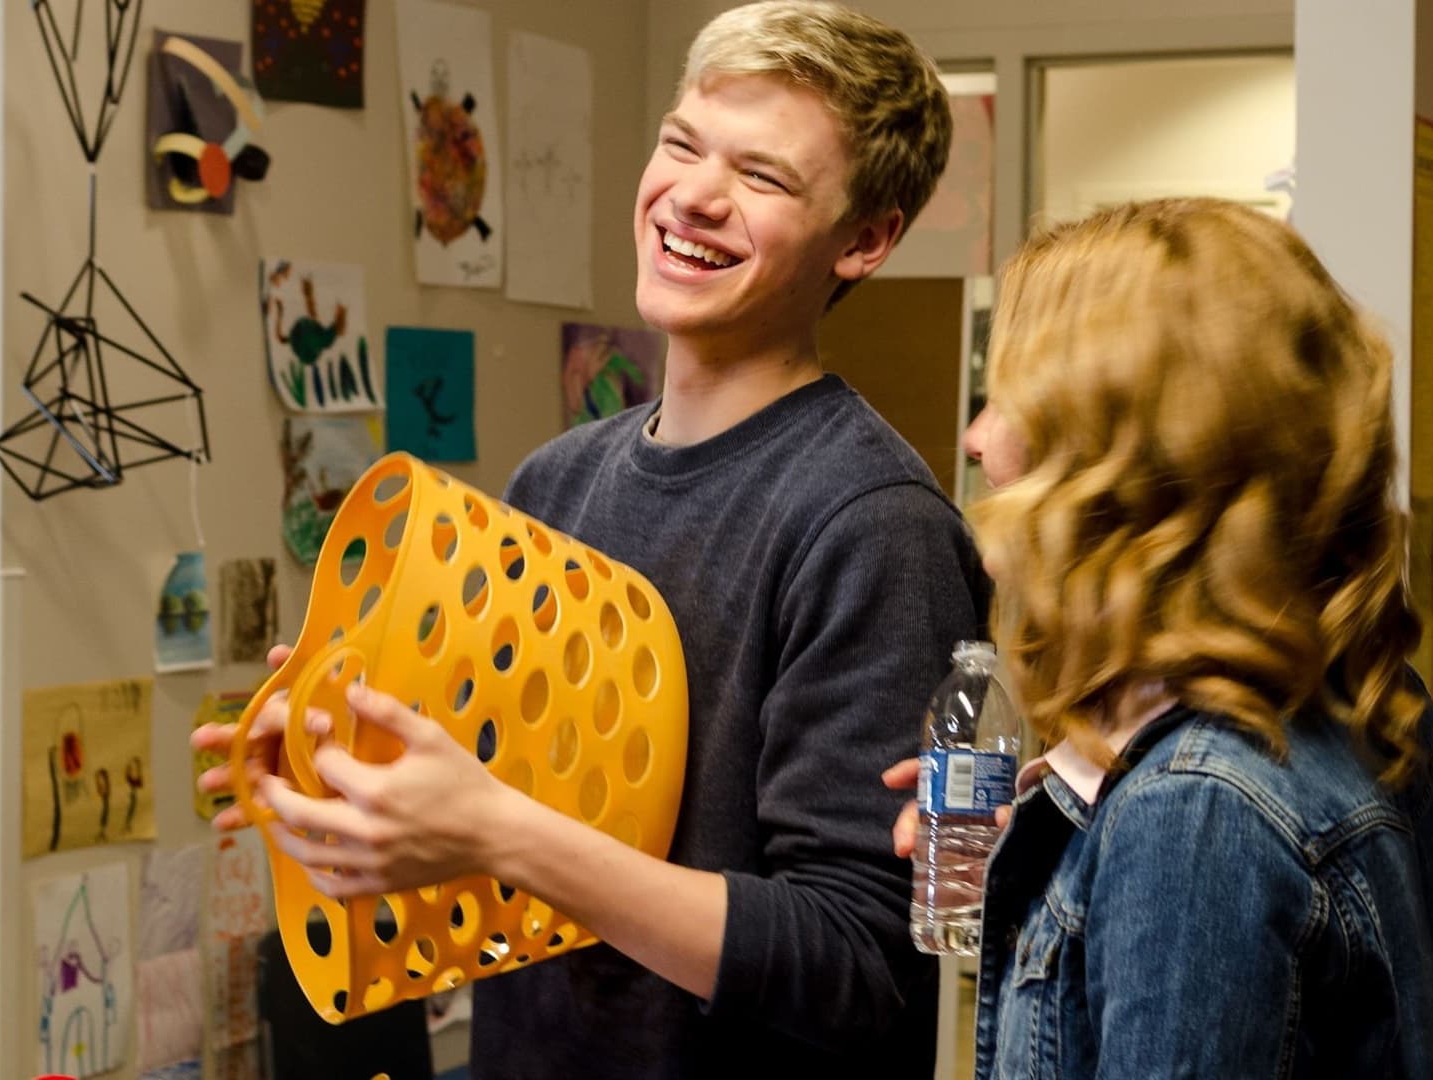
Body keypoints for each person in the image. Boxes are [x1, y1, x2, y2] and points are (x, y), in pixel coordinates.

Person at [193, 4, 988, 1077]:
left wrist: (495, 830)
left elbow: (862, 966)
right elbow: (485, 863)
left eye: (763, 177)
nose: (693, 195)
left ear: (866, 239)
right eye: (681, 143)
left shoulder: (875, 526)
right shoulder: (556, 480)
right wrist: (348, 763)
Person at [887, 198, 1433, 1077]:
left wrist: (1140, 861)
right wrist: (1054, 864)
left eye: (1011, 400)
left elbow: (1210, 858)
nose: (977, 439)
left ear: (1125, 460)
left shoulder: (1195, 813)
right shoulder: (1381, 707)